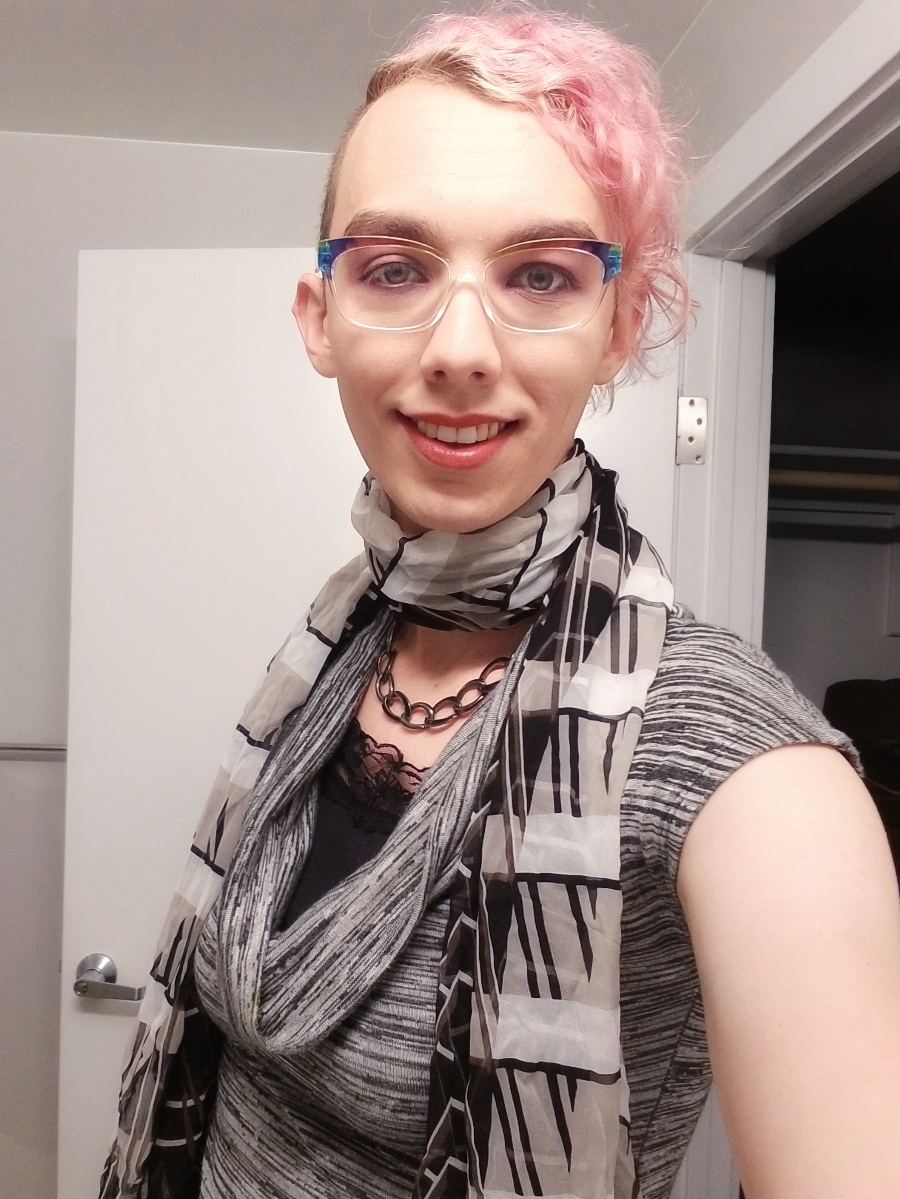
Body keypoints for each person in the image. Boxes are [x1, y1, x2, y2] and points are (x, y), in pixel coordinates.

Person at [100, 6, 900, 1199]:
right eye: (395, 268)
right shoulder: (339, 644)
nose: (462, 347)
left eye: (539, 274)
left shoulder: (744, 766)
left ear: (616, 326)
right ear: (321, 320)